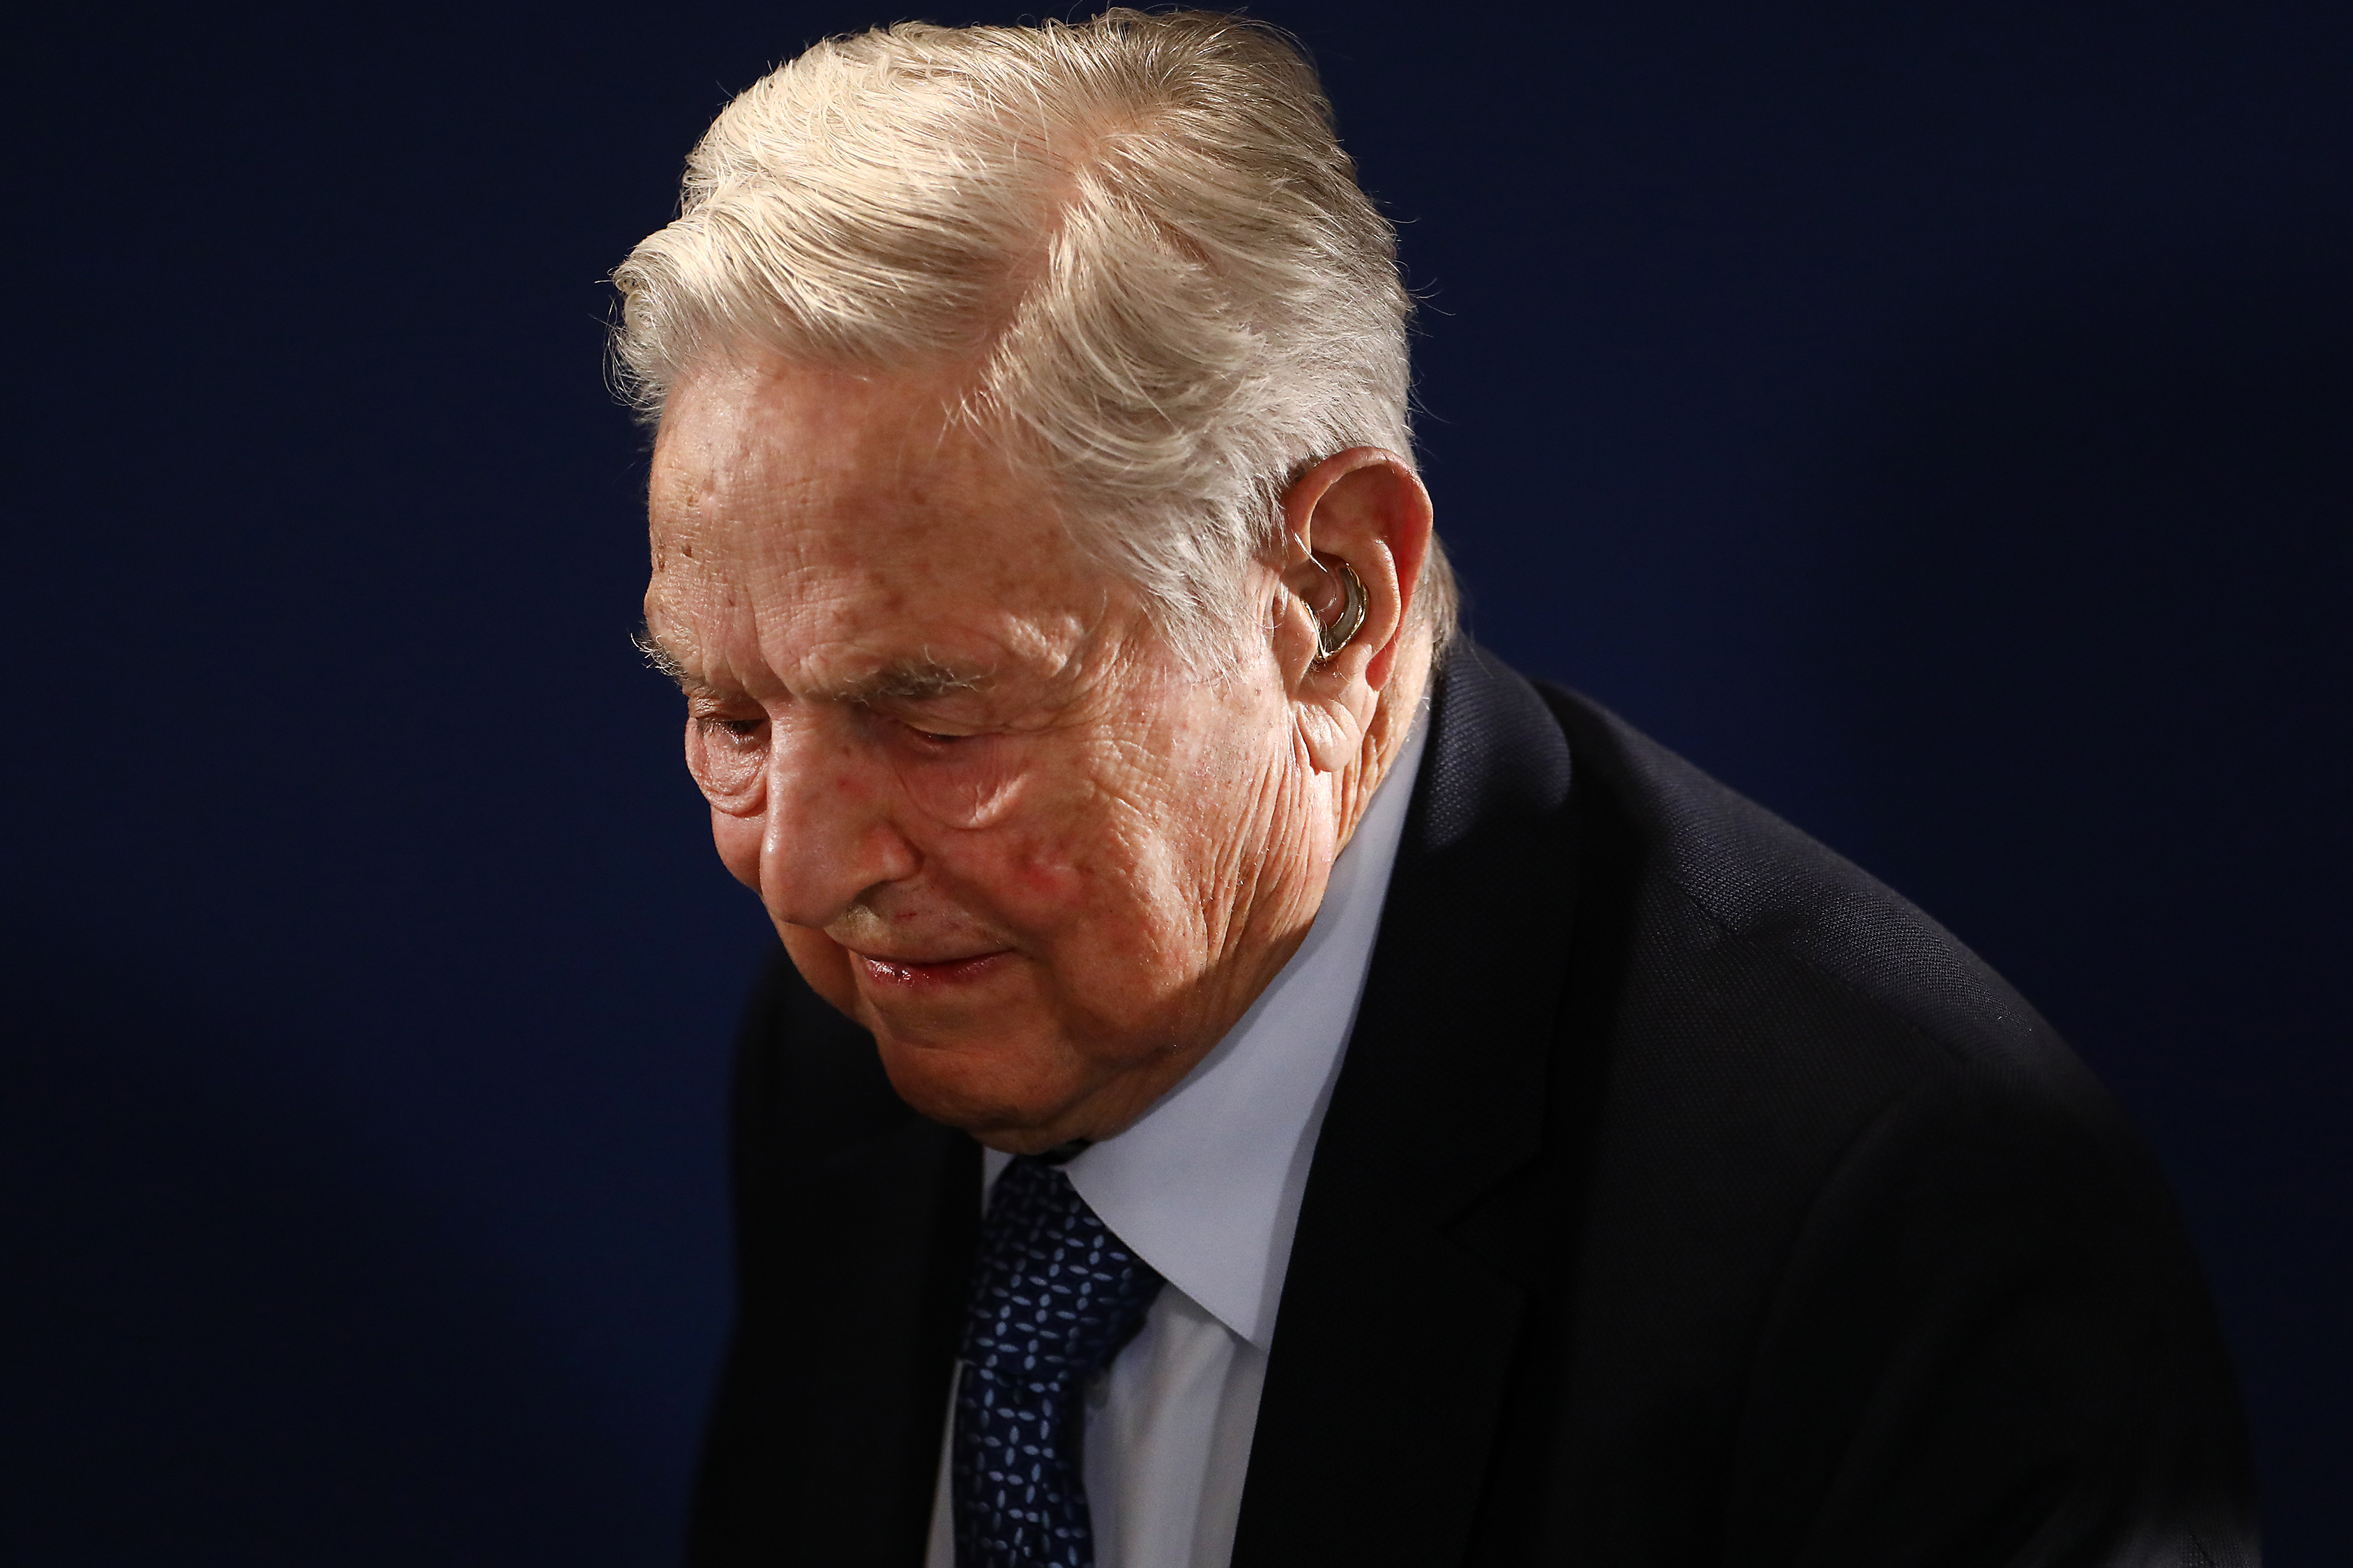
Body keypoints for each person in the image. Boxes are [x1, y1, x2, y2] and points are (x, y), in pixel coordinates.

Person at [612, 11, 2256, 1567]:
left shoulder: (1901, 1222)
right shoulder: (871, 1038)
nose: (802, 872)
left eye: (935, 715)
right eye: (730, 715)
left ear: (1329, 598)